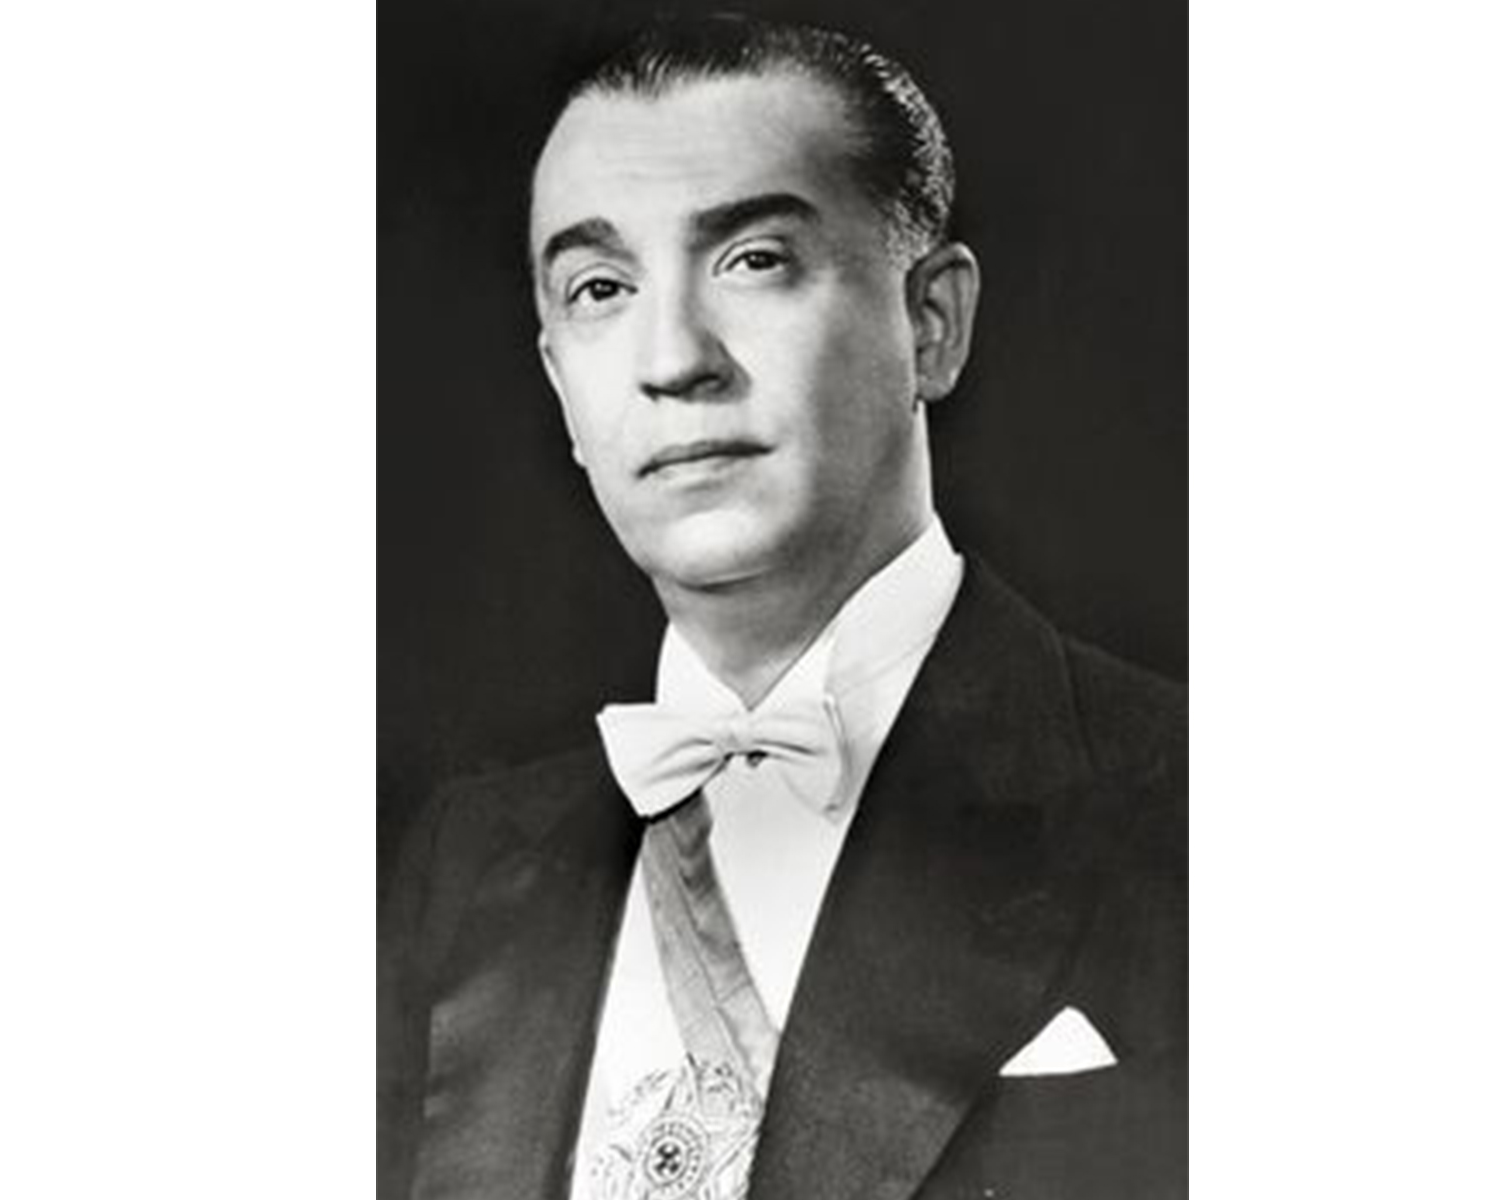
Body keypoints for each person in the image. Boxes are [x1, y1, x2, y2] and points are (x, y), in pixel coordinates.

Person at [379, 15, 1185, 1200]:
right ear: (559, 383)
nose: (673, 358)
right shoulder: (460, 867)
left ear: (931, 323)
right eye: (601, 288)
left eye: (754, 260)